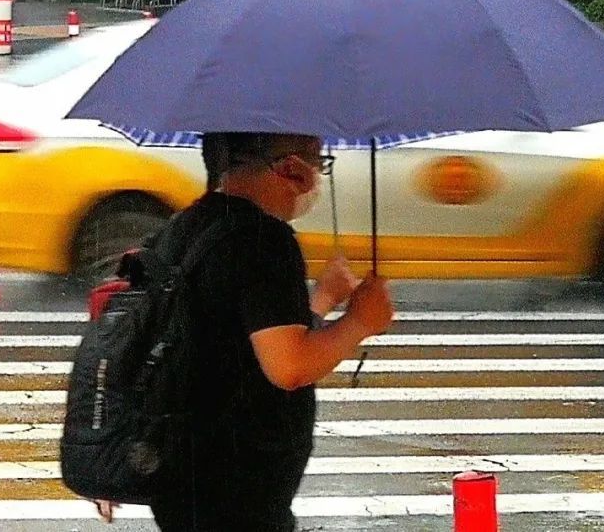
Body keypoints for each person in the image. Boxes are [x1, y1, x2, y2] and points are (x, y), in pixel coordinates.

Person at [96, 132, 394, 531]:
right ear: (292, 169)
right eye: (320, 164)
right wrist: (359, 322)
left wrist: (320, 302)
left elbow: (238, 339)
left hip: (180, 471)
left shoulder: (186, 227)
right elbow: (289, 366)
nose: (319, 178)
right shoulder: (263, 241)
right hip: (236, 483)